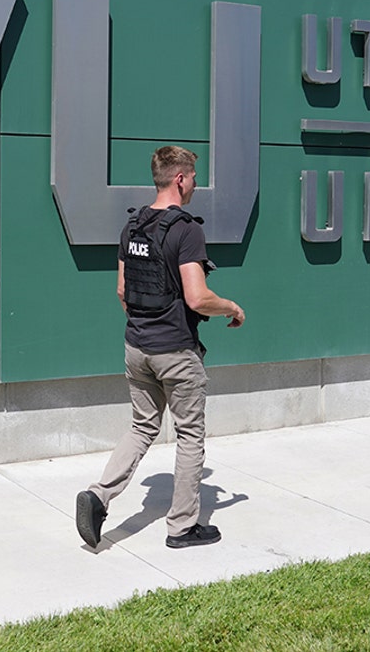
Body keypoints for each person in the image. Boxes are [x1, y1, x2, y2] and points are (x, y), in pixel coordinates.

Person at [75, 146, 245, 550]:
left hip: (137, 347)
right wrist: (232, 308)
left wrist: (144, 327)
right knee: (189, 435)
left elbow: (122, 290)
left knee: (141, 427)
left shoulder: (132, 227)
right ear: (180, 179)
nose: (196, 185)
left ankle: (99, 494)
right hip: (175, 352)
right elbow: (197, 298)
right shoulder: (187, 230)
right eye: (194, 177)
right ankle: (182, 527)